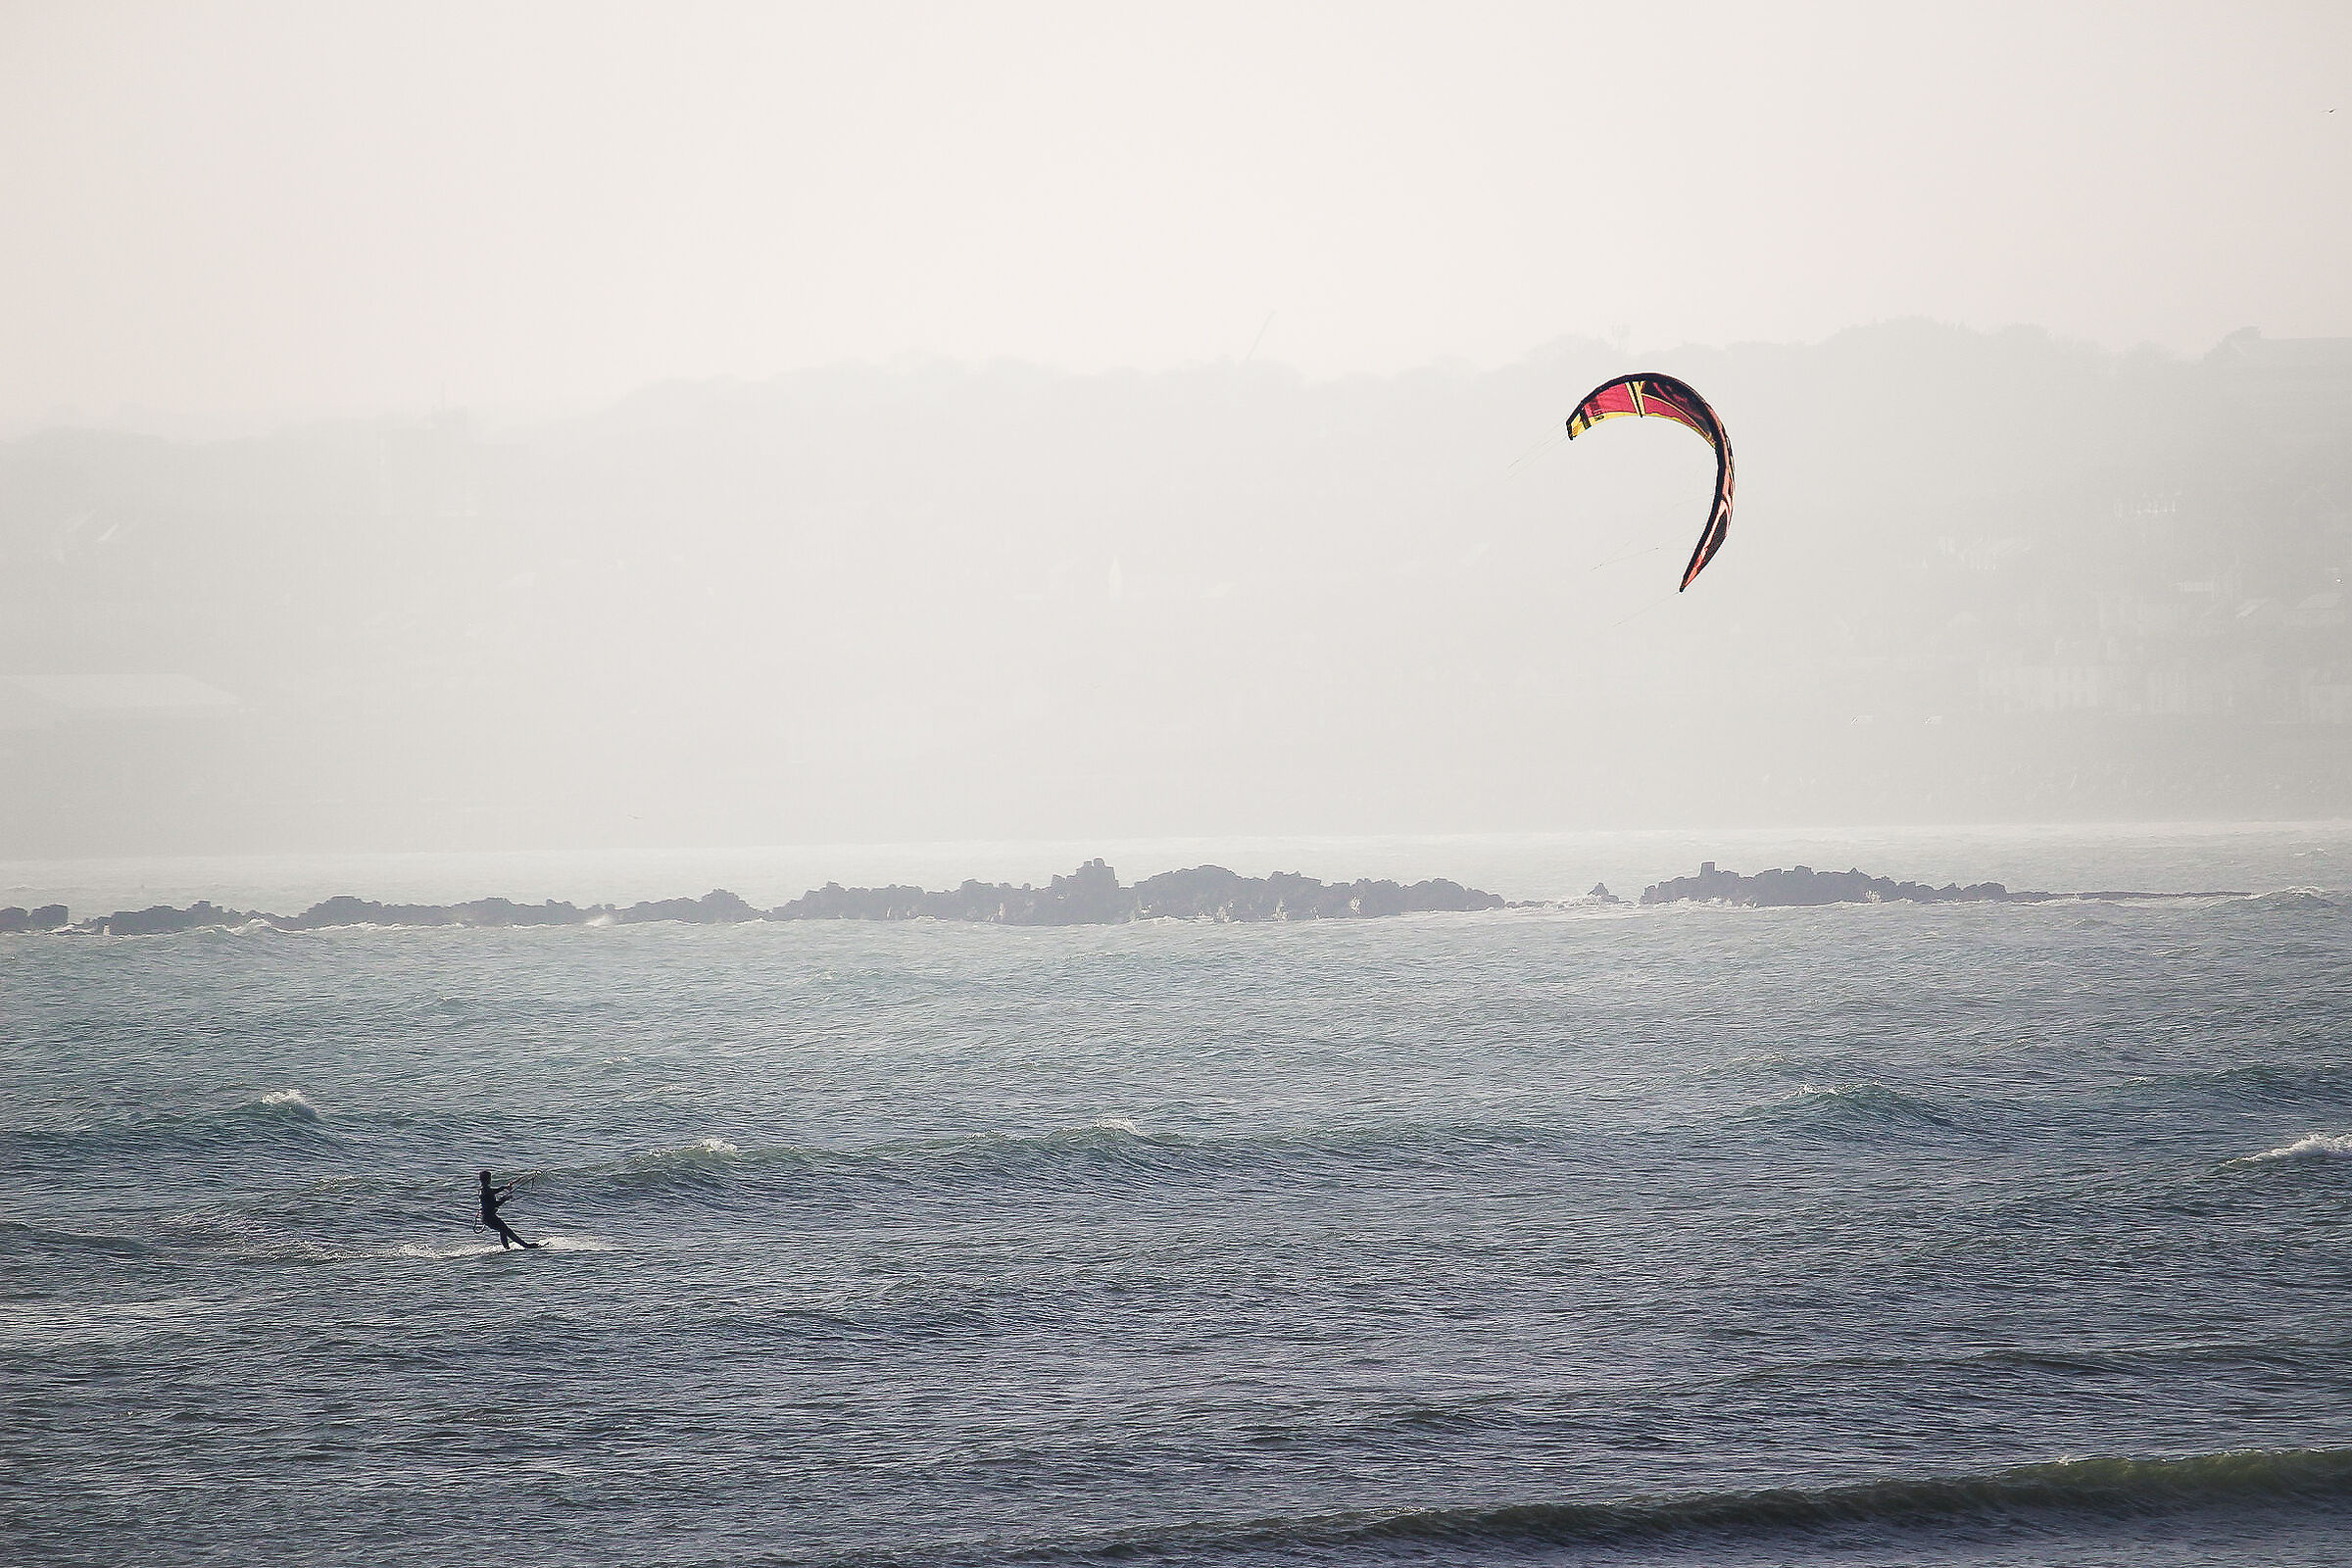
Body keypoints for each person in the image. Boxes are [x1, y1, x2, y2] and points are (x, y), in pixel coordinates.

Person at [478, 1169, 540, 1250]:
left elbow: (494, 1191)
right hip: (489, 1217)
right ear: (488, 1179)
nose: (490, 1180)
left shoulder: (484, 1189)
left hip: (487, 1216)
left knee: (503, 1230)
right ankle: (526, 1246)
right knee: (507, 1231)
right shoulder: (485, 1190)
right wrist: (505, 1199)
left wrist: (505, 1188)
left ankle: (506, 1248)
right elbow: (494, 1204)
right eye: (490, 1178)